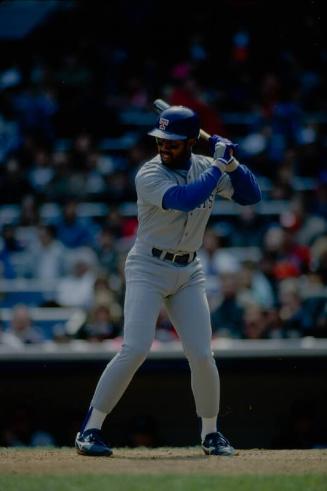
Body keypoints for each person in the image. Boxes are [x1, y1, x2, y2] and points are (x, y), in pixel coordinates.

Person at [75, 105, 261, 457]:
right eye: (161, 140)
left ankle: (211, 434)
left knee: (203, 354)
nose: (164, 146)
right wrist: (221, 164)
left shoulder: (207, 167)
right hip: (148, 265)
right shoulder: (148, 174)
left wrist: (233, 163)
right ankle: (90, 429)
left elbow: (252, 196)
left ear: (192, 142)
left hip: (189, 271)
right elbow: (185, 200)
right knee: (135, 348)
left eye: (173, 142)